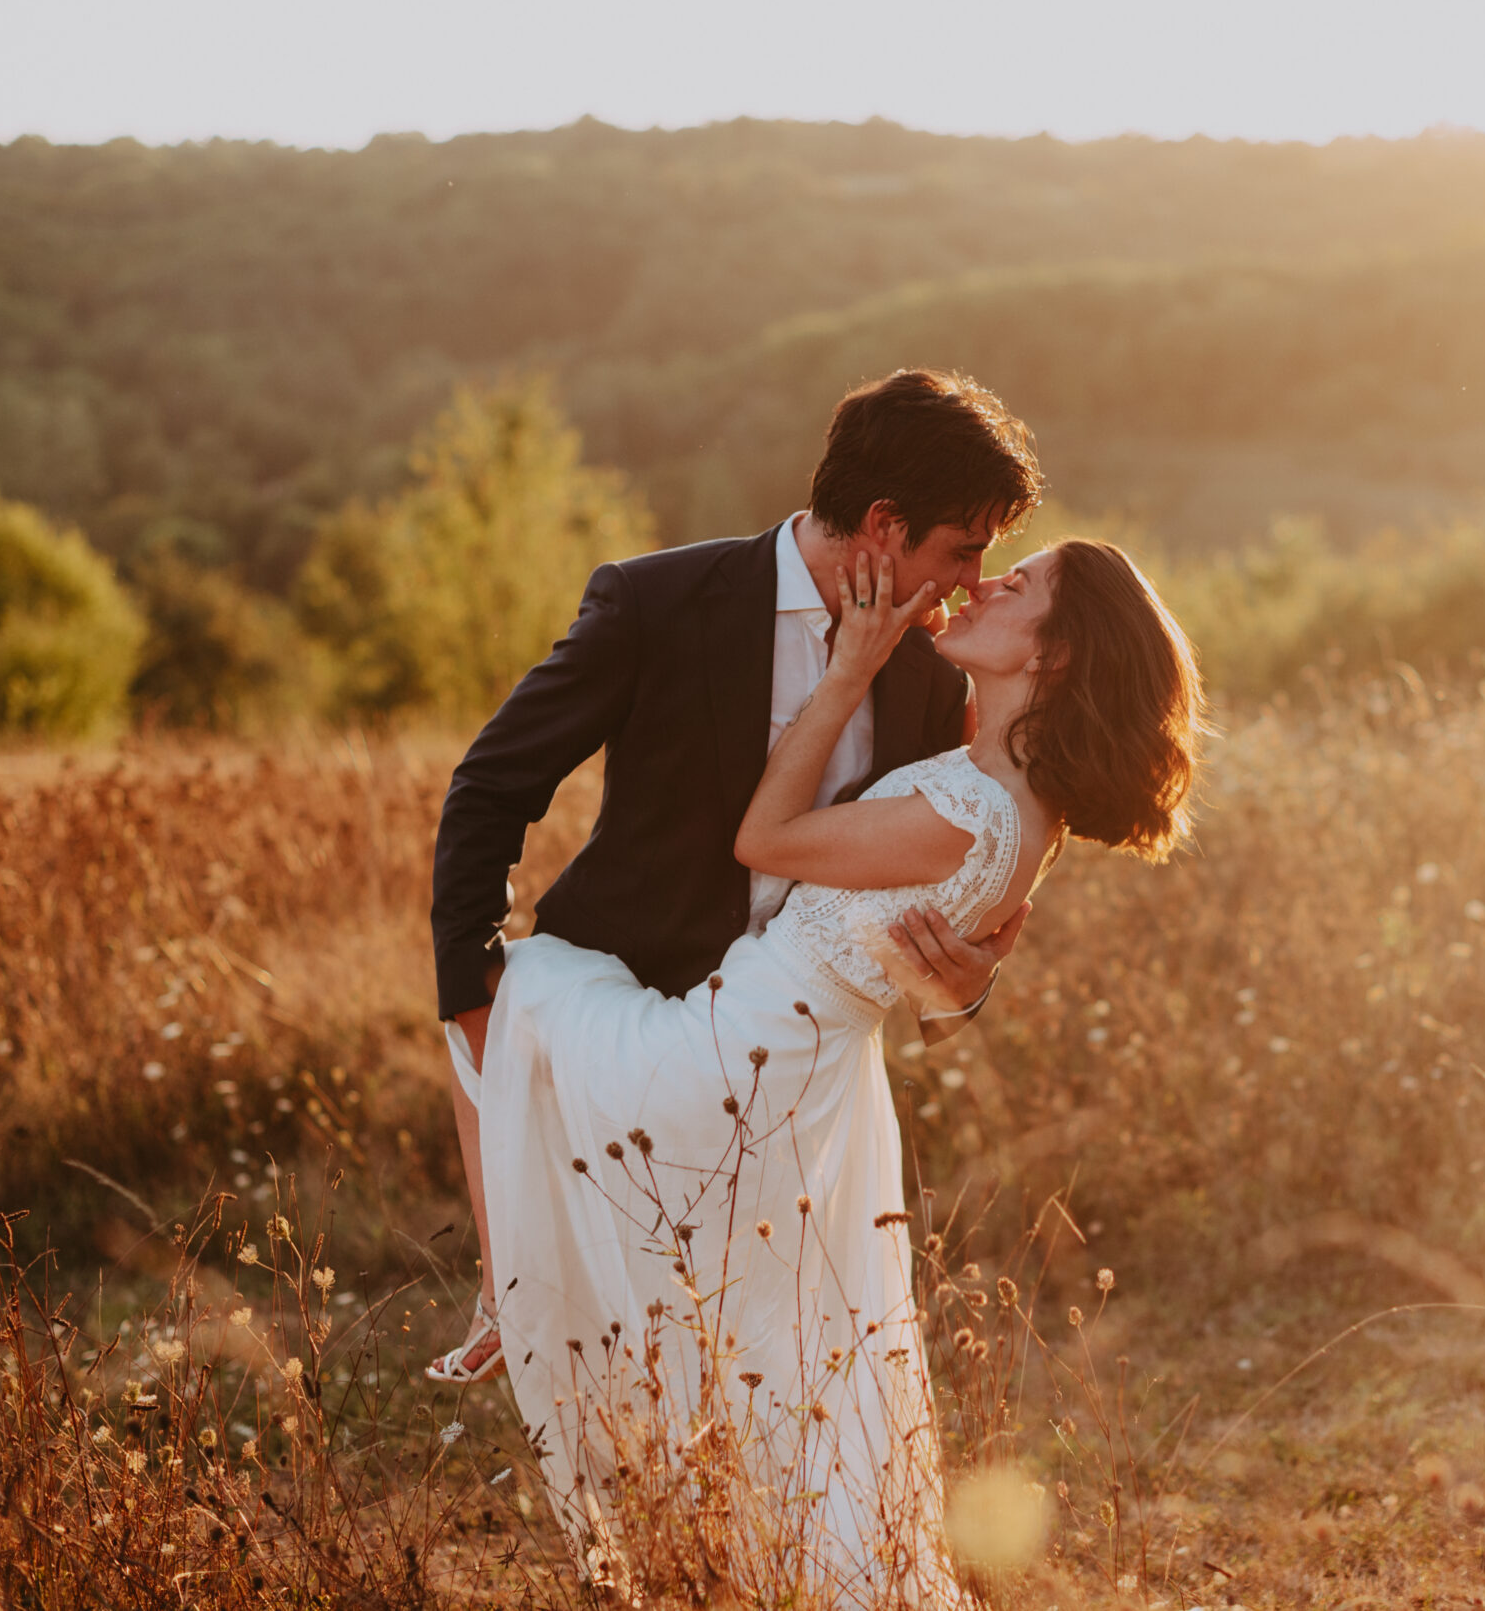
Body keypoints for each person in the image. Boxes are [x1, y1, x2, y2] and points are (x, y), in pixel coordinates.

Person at [474, 535, 1202, 1604]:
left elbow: (763, 838)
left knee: (520, 990)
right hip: (796, 1072)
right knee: (770, 1363)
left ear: (1055, 653)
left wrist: (851, 666)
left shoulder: (980, 811)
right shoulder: (1000, 789)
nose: (990, 579)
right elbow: (926, 970)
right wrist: (961, 988)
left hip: (734, 1063)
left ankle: (498, 1288)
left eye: (1023, 582)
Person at [427, 370, 1046, 1388]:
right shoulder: (656, 601)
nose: (974, 581)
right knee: (617, 1356)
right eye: (962, 549)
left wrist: (962, 982)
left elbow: (912, 888)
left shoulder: (937, 673)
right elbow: (493, 782)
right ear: (884, 525)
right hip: (622, 1016)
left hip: (792, 1069)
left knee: (769, 1364)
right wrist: (470, 988)